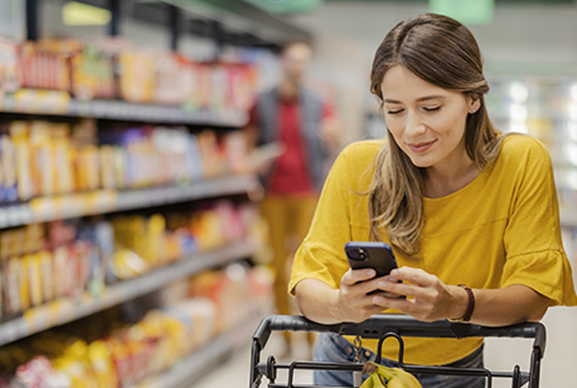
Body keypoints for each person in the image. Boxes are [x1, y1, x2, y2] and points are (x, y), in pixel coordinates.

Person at [289, 13, 577, 388]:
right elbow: (308, 287)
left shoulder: (520, 163)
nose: (411, 130)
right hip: (348, 366)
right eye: (395, 110)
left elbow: (533, 296)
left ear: (472, 98)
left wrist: (454, 303)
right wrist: (342, 304)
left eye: (431, 107)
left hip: (454, 372)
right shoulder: (357, 166)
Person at [246, 40, 337, 355]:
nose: (297, 67)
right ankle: (284, 336)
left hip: (307, 192)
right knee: (275, 264)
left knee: (308, 266)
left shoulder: (317, 102)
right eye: (292, 61)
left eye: (303, 61)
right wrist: (253, 163)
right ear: (282, 63)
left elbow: (332, 137)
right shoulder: (263, 102)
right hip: (273, 193)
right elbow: (250, 142)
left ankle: (312, 337)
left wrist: (332, 136)